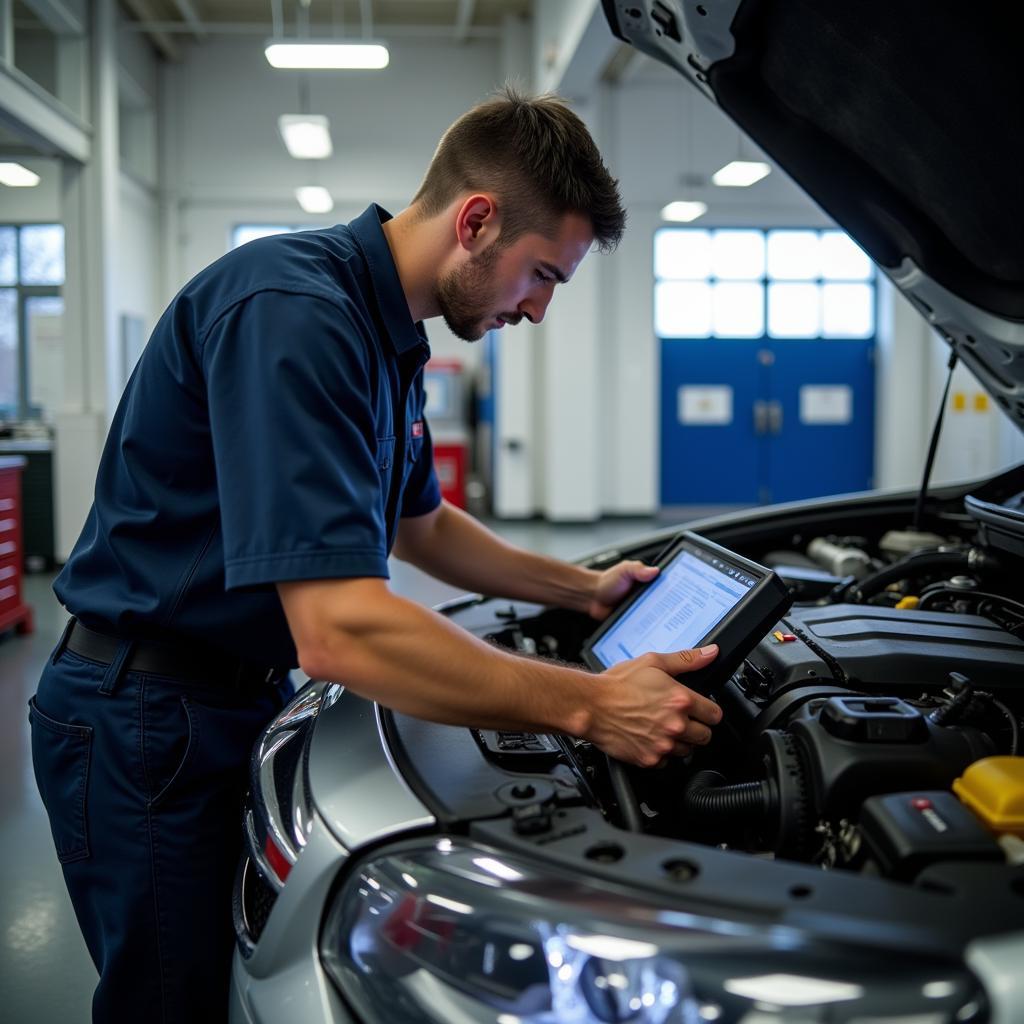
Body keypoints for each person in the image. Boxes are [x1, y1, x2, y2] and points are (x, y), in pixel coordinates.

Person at [28, 86, 723, 1023]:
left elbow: (420, 524)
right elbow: (340, 631)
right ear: (477, 221)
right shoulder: (297, 313)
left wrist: (587, 586)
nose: (540, 309)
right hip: (145, 716)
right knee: (169, 1002)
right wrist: (593, 707)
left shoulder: (380, 330)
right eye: (543, 275)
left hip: (218, 697)